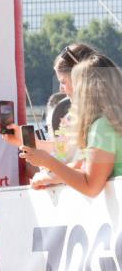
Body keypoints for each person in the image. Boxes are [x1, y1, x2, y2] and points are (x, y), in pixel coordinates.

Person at [20, 54, 122, 196]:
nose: (69, 91)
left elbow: (91, 186)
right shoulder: (113, 121)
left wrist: (47, 161)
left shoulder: (103, 126)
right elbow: (85, 171)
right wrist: (49, 176)